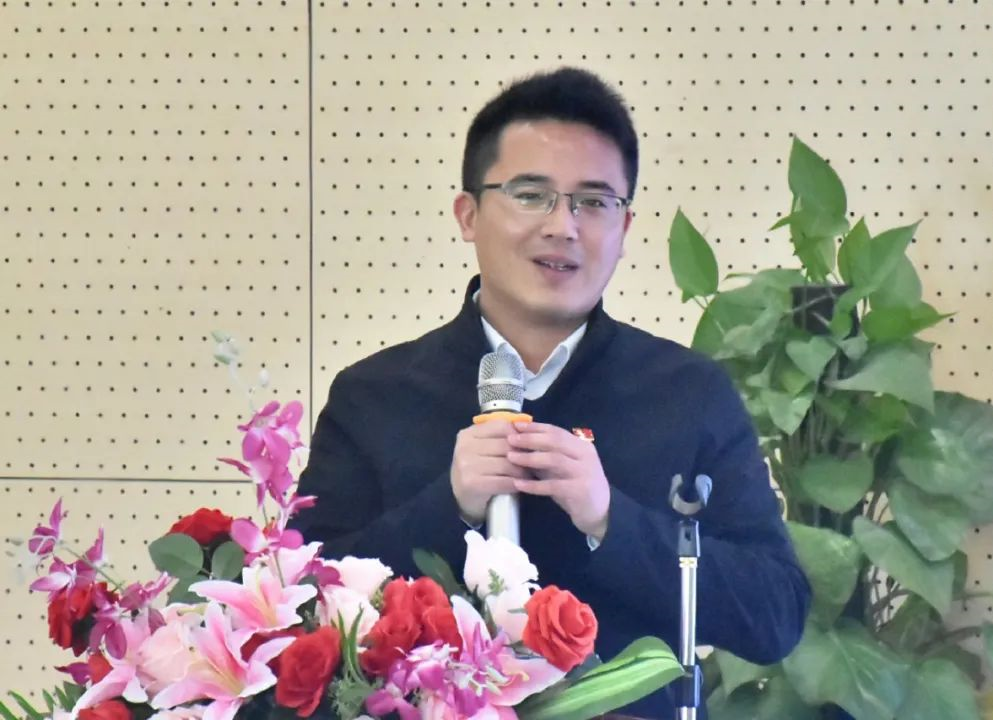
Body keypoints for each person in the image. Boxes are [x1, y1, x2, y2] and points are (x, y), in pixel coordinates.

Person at [291, 67, 810, 718]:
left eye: (594, 202)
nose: (563, 225)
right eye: (531, 195)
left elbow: (775, 615)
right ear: (468, 215)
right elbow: (302, 603)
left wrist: (612, 521)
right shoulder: (373, 397)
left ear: (625, 227)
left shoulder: (689, 393)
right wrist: (446, 509)